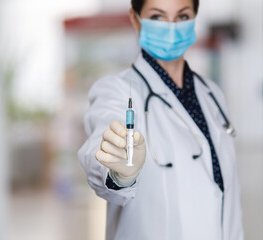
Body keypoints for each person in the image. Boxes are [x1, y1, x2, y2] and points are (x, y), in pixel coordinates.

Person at [77, 0, 244, 239]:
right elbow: (101, 145)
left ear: (194, 19)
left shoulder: (212, 93)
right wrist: (119, 174)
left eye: (182, 16)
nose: (172, 28)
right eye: (157, 17)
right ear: (135, 19)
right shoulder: (116, 91)